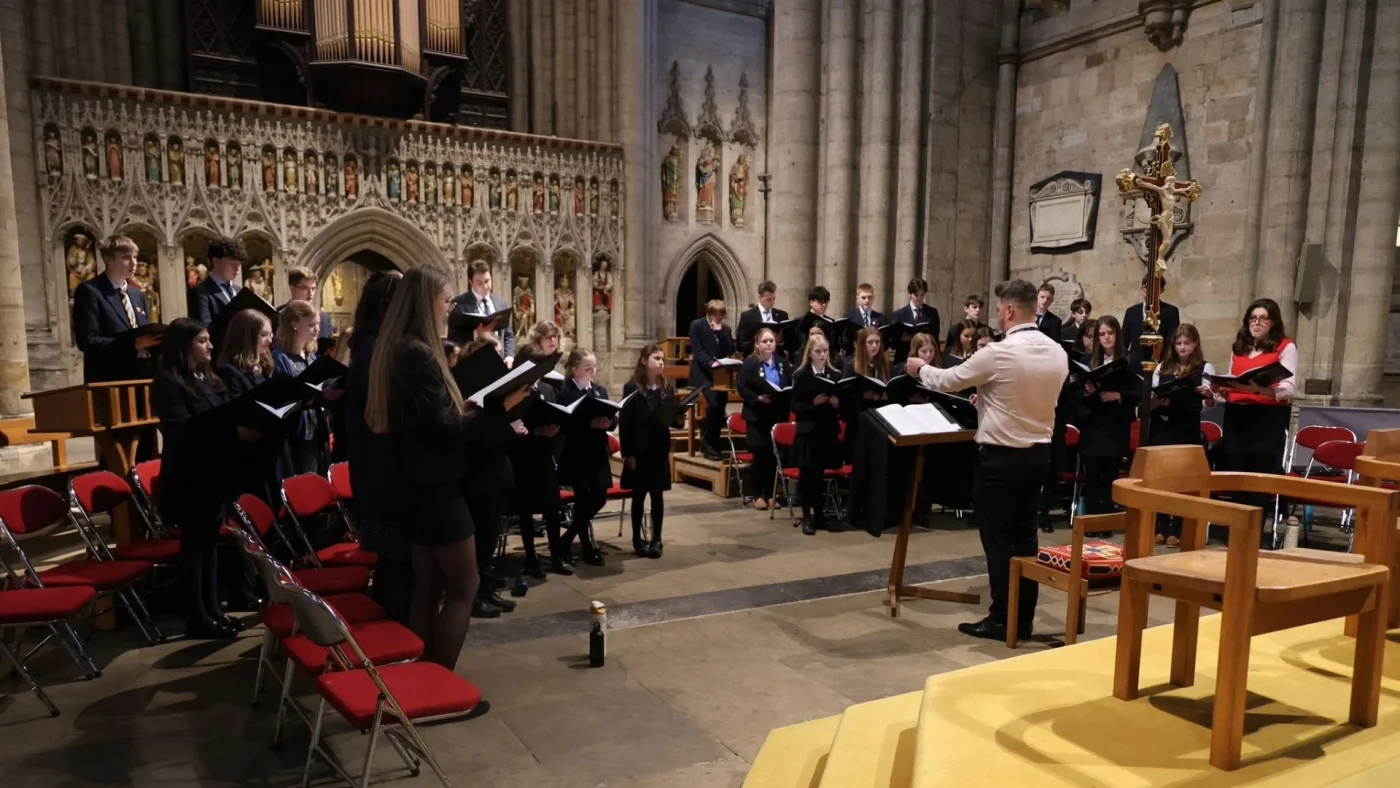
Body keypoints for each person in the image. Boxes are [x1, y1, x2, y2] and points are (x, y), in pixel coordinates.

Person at [366, 266, 521, 669]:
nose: (450, 308)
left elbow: (434, 416)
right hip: (436, 486)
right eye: (445, 300)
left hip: (417, 483)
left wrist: (465, 406)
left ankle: (421, 679)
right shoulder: (417, 352)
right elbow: (445, 427)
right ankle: (438, 680)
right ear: (426, 302)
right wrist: (497, 408)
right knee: (464, 588)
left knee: (428, 588)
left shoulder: (398, 348)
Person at [905, 279, 1067, 642]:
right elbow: (1032, 397)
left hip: (1001, 459)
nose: (997, 314)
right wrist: (991, 402)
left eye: (998, 309)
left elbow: (948, 380)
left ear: (1009, 310)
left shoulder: (1000, 352)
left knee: (997, 541)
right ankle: (1022, 618)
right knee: (1026, 538)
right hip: (1039, 454)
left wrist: (920, 368)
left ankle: (1000, 618)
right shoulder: (1057, 351)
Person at [152, 318, 260, 639]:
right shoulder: (167, 382)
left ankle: (214, 610)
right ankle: (197, 617)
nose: (210, 346)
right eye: (202, 341)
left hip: (216, 474)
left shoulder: (208, 378)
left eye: (209, 340)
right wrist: (233, 433)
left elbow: (224, 415)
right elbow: (182, 430)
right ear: (184, 345)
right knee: (195, 546)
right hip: (189, 476)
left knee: (211, 543)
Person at [345, 271, 408, 623]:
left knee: (393, 564)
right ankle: (392, 639)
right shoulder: (373, 349)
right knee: (393, 565)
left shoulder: (371, 343)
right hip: (380, 474)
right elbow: (382, 413)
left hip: (376, 472)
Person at [1211, 298, 1297, 531]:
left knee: (1258, 481)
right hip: (1237, 417)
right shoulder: (1238, 348)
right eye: (1252, 318)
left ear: (1273, 323)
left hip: (1265, 419)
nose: (1256, 323)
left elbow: (1288, 389)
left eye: (1262, 318)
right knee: (1237, 479)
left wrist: (1258, 389)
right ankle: (1236, 534)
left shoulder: (1285, 346)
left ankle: (1253, 537)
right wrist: (1221, 389)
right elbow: (1232, 380)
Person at [458, 337, 524, 618]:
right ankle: (474, 597)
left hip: (497, 476)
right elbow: (481, 438)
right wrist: (510, 427)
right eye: (495, 355)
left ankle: (486, 590)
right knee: (480, 544)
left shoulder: (491, 399)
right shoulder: (472, 397)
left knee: (489, 542)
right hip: (480, 479)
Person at [1149, 323, 1217, 547]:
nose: (1182, 347)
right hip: (1163, 429)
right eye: (1178, 343)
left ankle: (1175, 528)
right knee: (1161, 480)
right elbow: (1151, 401)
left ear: (1195, 343)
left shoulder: (1205, 368)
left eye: (1186, 343)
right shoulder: (1162, 367)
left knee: (1181, 481)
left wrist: (1208, 395)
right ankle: (1159, 526)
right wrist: (1160, 401)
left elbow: (1209, 406)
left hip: (1186, 428)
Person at [509, 341, 572, 577]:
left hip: (545, 456)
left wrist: (555, 430)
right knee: (526, 511)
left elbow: (558, 417)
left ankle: (556, 556)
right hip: (522, 458)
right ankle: (531, 559)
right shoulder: (514, 391)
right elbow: (511, 426)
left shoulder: (547, 389)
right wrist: (537, 431)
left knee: (553, 507)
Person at [620, 345, 685, 558]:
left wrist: (679, 418)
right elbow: (625, 423)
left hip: (658, 448)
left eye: (663, 359)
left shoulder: (668, 388)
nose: (661, 362)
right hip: (639, 450)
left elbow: (674, 422)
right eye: (656, 358)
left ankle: (657, 539)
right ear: (644, 361)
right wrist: (627, 454)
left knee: (657, 495)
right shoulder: (631, 388)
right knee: (638, 496)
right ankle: (637, 539)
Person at [1075, 316, 1138, 527]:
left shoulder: (1128, 360)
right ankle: (1092, 523)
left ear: (1117, 334)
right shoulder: (1087, 360)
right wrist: (1087, 391)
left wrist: (1118, 395)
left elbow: (1138, 391)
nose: (1106, 337)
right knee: (1092, 474)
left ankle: (1107, 523)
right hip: (1093, 423)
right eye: (1102, 334)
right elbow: (1075, 393)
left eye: (1110, 333)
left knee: (1111, 475)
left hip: (1116, 424)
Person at [72, 235, 160, 384]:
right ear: (107, 259)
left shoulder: (137, 294)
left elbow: (144, 333)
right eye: (126, 258)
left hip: (143, 378)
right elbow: (87, 341)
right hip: (110, 380)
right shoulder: (90, 292)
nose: (134, 263)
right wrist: (133, 344)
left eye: (135, 257)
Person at [556, 348, 616, 566]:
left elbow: (612, 417)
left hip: (598, 452)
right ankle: (588, 547)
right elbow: (565, 426)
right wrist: (589, 424)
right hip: (577, 453)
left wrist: (609, 423)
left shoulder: (599, 390)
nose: (593, 371)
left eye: (594, 367)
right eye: (588, 368)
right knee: (582, 501)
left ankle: (566, 540)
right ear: (574, 370)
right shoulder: (565, 394)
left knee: (599, 497)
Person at [736, 327, 793, 512]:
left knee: (773, 457)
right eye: (765, 341)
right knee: (760, 456)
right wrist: (757, 398)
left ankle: (770, 494)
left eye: (771, 341)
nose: (769, 344)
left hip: (776, 414)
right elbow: (742, 387)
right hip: (757, 416)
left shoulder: (783, 363)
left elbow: (788, 385)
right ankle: (757, 495)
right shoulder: (750, 362)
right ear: (757, 344)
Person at [791, 334, 842, 536]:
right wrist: (813, 403)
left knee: (820, 476)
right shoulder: (801, 375)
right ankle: (807, 517)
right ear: (810, 353)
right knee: (807, 476)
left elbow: (843, 401)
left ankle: (820, 517)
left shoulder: (834, 374)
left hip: (826, 430)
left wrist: (837, 403)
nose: (822, 355)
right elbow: (795, 406)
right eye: (818, 352)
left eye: (824, 351)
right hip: (808, 430)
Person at [273, 300, 329, 476]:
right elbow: (284, 396)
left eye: (318, 324)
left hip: (318, 425)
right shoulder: (281, 357)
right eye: (311, 325)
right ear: (294, 324)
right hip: (298, 429)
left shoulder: (311, 355)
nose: (317, 329)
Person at [687, 299, 736, 461]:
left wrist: (721, 333)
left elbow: (730, 350)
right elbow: (698, 350)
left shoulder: (725, 329)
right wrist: (710, 363)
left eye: (721, 316)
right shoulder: (697, 326)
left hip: (720, 376)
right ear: (709, 314)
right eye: (716, 316)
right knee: (714, 404)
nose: (719, 319)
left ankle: (712, 441)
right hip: (701, 375)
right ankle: (708, 441)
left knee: (721, 403)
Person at [451, 260, 515, 365]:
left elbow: (508, 335)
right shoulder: (459, 304)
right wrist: (476, 334)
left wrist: (509, 357)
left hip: (500, 362)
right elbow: (453, 339)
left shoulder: (500, 303)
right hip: (474, 363)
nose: (485, 286)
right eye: (479, 283)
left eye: (487, 281)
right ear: (471, 282)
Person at [1122, 274, 1180, 366]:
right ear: (1142, 289)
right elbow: (1124, 342)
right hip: (1136, 367)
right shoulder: (1131, 312)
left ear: (1161, 290)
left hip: (1161, 366)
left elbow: (1171, 342)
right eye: (1146, 287)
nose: (1149, 290)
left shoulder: (1171, 312)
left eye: (1154, 287)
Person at [188, 236, 246, 327]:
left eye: (238, 265)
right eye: (232, 264)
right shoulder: (200, 292)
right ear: (216, 261)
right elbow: (203, 328)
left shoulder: (239, 291)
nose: (237, 269)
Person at [888, 277, 941, 363]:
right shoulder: (898, 315)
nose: (919, 298)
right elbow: (892, 343)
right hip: (904, 359)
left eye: (922, 294)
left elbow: (936, 337)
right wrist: (901, 338)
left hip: (926, 360)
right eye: (916, 294)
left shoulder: (932, 313)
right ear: (910, 294)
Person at [736, 280, 789, 357]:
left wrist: (781, 341)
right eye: (768, 299)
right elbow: (740, 345)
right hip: (754, 359)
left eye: (774, 298)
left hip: (777, 358)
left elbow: (791, 343)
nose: (772, 302)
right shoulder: (747, 316)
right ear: (760, 297)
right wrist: (759, 343)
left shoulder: (782, 315)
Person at [283, 266, 334, 340]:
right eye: (304, 288)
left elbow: (328, 349)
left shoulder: (323, 318)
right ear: (292, 287)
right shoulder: (279, 315)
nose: (310, 293)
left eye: (313, 289)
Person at [789, 286, 833, 359]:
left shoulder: (830, 322)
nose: (824, 305)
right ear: (811, 302)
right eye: (820, 302)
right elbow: (794, 346)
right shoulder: (799, 322)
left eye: (826, 302)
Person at [841, 283, 884, 356]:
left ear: (873, 298)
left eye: (869, 297)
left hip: (874, 357)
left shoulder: (880, 317)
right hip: (854, 356)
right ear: (857, 298)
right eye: (863, 298)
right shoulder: (849, 317)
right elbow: (844, 340)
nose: (867, 300)